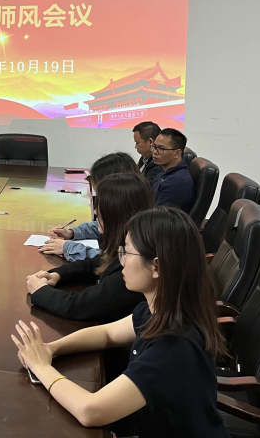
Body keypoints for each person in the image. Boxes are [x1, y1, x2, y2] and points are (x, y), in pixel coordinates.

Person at [12, 207, 228, 437]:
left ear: (156, 266)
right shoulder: (159, 308)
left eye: (127, 252)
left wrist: (41, 367)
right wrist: (51, 349)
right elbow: (107, 334)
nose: (121, 260)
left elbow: (90, 410)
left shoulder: (173, 346)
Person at [27, 173, 153, 322]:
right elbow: (97, 262)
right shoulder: (133, 244)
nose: (95, 212)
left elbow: (80, 307)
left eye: (101, 206)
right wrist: (57, 275)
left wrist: (40, 291)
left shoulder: (136, 263)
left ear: (117, 213)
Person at [41, 152, 140, 262]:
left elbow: (109, 261)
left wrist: (70, 248)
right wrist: (73, 233)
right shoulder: (124, 217)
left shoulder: (136, 237)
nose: (96, 211)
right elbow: (102, 226)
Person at [151, 128, 194, 211]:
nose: (155, 152)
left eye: (161, 149)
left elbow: (160, 215)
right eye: (154, 147)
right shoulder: (163, 174)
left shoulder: (176, 182)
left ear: (177, 153)